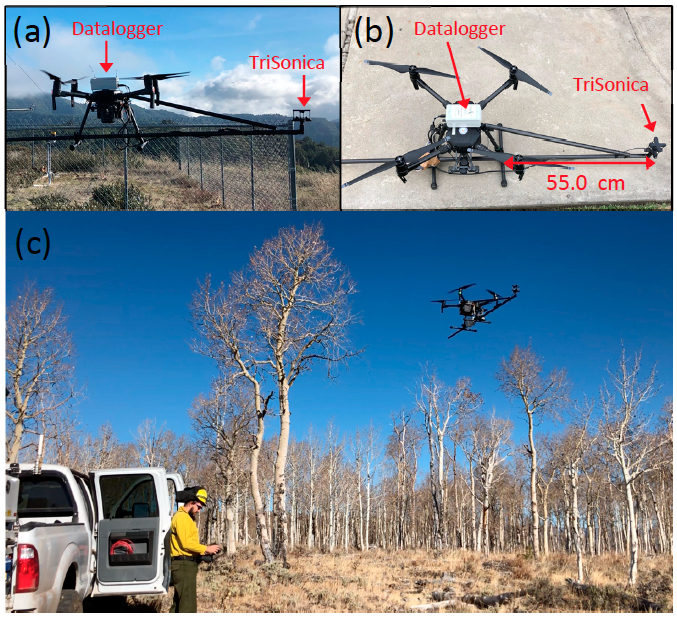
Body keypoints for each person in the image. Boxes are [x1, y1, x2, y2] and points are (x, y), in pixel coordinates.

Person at [169, 488, 220, 613]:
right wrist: (206, 548)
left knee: (180, 604)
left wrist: (202, 552)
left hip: (185, 565)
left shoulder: (187, 518)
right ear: (191, 502)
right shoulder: (182, 518)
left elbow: (188, 544)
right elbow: (186, 544)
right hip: (183, 566)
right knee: (188, 607)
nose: (200, 509)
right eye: (199, 506)